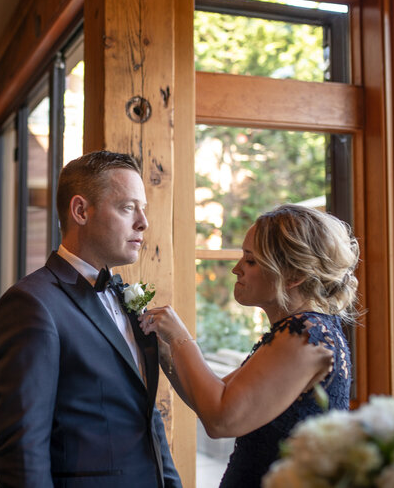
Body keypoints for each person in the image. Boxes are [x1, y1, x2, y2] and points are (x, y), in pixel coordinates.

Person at [0, 150, 182, 488]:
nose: (143, 223)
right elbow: (21, 449)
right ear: (81, 210)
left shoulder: (125, 296)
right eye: (127, 208)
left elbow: (147, 419)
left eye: (143, 209)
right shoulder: (31, 305)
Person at [140, 204, 359, 488]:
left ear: (294, 276)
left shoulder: (306, 335)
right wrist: (163, 346)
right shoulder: (300, 330)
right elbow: (208, 397)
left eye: (251, 261)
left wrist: (181, 336)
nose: (236, 269)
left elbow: (221, 420)